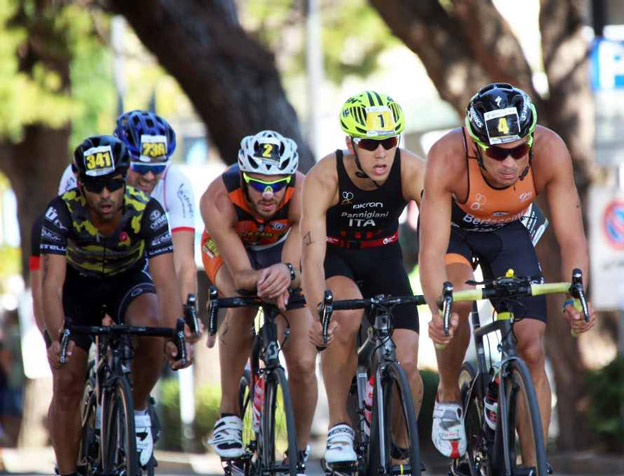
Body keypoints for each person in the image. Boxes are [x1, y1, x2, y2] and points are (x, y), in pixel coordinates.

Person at [419, 83, 596, 464]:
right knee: (459, 303)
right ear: (475, 144)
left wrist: (577, 296)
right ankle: (448, 394)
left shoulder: (550, 151)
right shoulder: (447, 156)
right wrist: (440, 310)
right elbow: (431, 252)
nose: (510, 163)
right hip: (457, 235)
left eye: (518, 151)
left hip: (509, 235)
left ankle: (535, 466)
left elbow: (572, 239)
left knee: (531, 345)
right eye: (498, 153)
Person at [41, 135, 193, 476]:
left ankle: (137, 410)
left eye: (113, 184)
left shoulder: (147, 211)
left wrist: (175, 333)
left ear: (124, 177)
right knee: (66, 382)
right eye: (96, 187)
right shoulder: (61, 211)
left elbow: (166, 282)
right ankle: (67, 471)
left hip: (127, 280)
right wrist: (56, 338)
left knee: (154, 328)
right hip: (77, 287)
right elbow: (51, 286)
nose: (106, 195)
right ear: (80, 183)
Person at [303, 91, 425, 465]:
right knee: (345, 315)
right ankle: (340, 423)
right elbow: (311, 253)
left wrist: (442, 296)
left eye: (389, 142)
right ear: (350, 143)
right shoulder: (325, 176)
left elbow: (440, 233)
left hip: (385, 257)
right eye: (370, 144)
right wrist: (316, 311)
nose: (381, 153)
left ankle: (402, 448)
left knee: (406, 364)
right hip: (337, 256)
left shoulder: (412, 169)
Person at [200, 130, 317, 469]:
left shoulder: (304, 192)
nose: (269, 194)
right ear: (243, 177)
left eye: (278, 184)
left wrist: (287, 274)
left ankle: (297, 450)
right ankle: (229, 414)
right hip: (231, 253)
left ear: (289, 180)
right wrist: (271, 278)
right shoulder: (219, 198)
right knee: (240, 300)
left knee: (305, 362)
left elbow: (296, 268)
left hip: (281, 254)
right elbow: (241, 275)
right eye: (259, 184)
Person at [58, 110, 196, 302]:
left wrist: (186, 313)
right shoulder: (81, 176)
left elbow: (184, 264)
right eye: (140, 166)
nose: (149, 176)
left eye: (158, 168)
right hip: (87, 259)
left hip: (136, 261)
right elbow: (64, 251)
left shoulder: (176, 182)